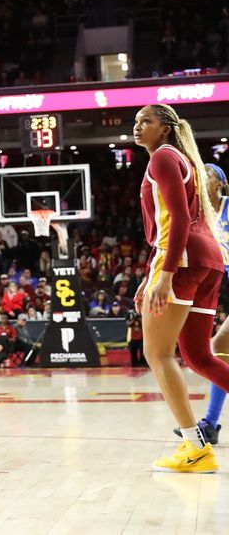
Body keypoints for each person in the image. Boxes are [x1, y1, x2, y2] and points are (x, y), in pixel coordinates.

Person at [132, 104, 229, 472]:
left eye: (147, 122)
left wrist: (165, 274)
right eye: (136, 122)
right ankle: (196, 446)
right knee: (200, 357)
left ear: (166, 128)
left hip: (183, 259)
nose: (139, 127)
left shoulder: (162, 159)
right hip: (208, 260)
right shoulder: (182, 158)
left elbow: (179, 220)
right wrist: (151, 275)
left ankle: (195, 448)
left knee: (156, 354)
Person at [176, 163, 229, 446]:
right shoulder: (201, 215)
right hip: (224, 288)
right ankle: (210, 423)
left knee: (217, 349)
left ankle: (210, 423)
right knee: (219, 350)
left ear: (221, 183)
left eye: (208, 173)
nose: (201, 176)